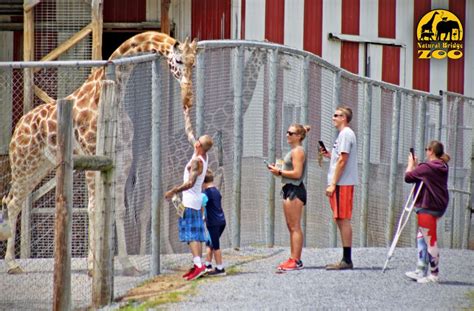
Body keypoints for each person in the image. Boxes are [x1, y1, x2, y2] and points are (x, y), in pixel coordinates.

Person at [165, 107, 213, 281]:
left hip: (191, 202)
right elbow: (189, 133)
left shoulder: (197, 163)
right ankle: (197, 264)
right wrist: (186, 114)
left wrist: (173, 191)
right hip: (193, 201)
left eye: (198, 141)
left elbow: (190, 183)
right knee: (194, 235)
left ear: (200, 146)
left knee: (192, 236)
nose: (195, 141)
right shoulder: (201, 154)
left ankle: (199, 265)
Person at [404, 140, 450, 284]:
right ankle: (420, 269)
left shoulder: (427, 167)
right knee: (421, 236)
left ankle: (434, 275)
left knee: (430, 240)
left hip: (427, 206)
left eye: (426, 149)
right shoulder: (442, 166)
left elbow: (408, 177)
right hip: (439, 206)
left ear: (431, 151)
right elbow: (423, 175)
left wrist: (411, 165)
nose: (426, 152)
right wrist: (417, 167)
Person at [267, 124, 310, 271]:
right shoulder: (294, 150)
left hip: (295, 190)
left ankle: (296, 260)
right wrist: (278, 170)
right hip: (288, 188)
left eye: (291, 133)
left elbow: (297, 173)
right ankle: (293, 258)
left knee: (295, 226)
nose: (287, 135)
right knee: (291, 226)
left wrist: (279, 172)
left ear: (298, 136)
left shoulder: (298, 151)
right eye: (287, 132)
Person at [320, 106, 358, 270]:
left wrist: (333, 183)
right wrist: (329, 154)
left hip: (342, 183)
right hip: (340, 182)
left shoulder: (346, 134)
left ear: (344, 118)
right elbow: (339, 157)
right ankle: (345, 258)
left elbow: (343, 160)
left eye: (337, 115)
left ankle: (347, 259)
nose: (333, 118)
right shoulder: (343, 136)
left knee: (343, 219)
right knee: (339, 218)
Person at [202, 169, 227, 276]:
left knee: (215, 246)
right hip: (221, 221)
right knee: (209, 243)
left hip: (214, 223)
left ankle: (220, 268)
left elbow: (202, 206)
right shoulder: (216, 191)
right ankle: (207, 265)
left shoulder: (205, 194)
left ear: (203, 182)